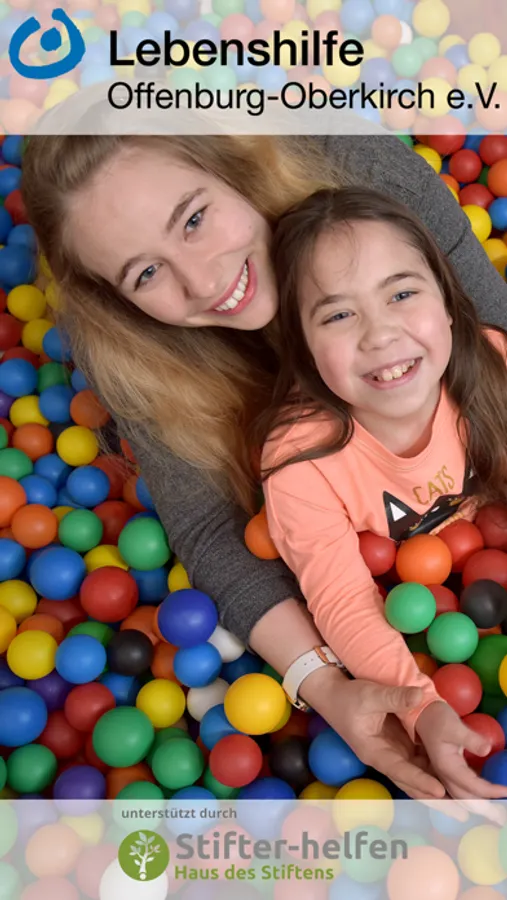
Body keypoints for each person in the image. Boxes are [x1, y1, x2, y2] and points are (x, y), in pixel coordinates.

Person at [21, 131, 507, 800]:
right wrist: (333, 688)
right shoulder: (290, 452)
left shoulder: (369, 184)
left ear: (237, 166)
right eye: (145, 274)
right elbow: (212, 531)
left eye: (195, 218)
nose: (205, 281)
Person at [257, 185, 507, 800]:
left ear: (447, 304)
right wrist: (419, 706)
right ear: (304, 349)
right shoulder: (300, 460)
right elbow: (344, 598)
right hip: (415, 612)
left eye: (401, 293)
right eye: (338, 315)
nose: (380, 333)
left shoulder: (493, 365)